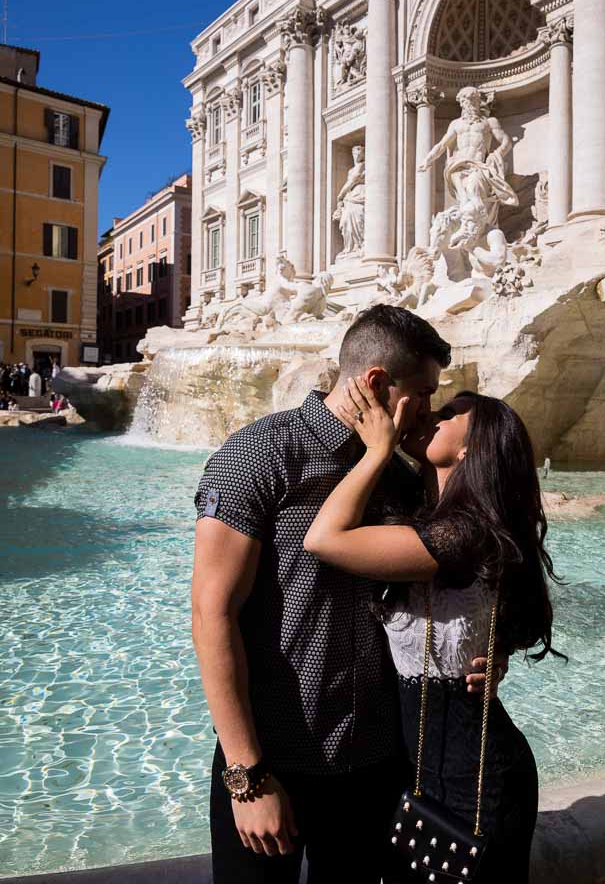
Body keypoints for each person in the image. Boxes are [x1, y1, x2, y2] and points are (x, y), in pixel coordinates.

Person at [191, 306, 502, 884]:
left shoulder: (405, 480)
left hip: (375, 764)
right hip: (273, 756)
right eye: (424, 393)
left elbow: (457, 585)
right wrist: (247, 777)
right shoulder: (257, 455)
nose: (431, 411)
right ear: (379, 384)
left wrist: (488, 652)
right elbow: (212, 613)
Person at [304, 380, 566, 883]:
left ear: (472, 447)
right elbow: (510, 613)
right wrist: (494, 650)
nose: (431, 416)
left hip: (480, 780)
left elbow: (324, 538)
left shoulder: (464, 532)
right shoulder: (434, 518)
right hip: (421, 773)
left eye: (447, 413)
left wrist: (378, 450)